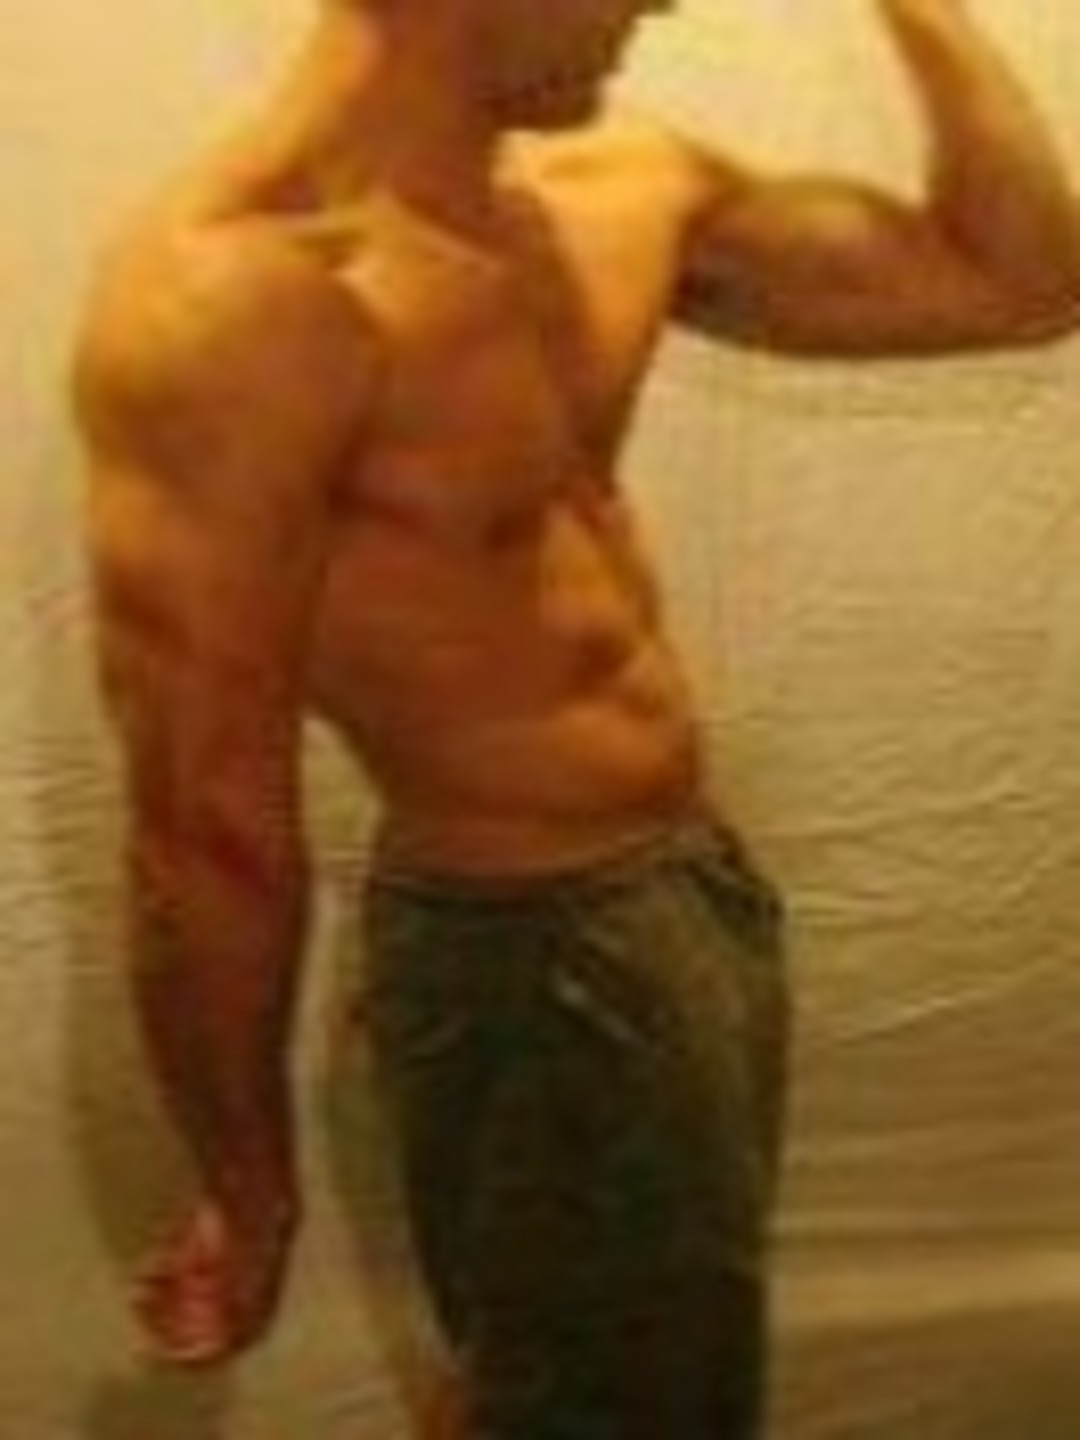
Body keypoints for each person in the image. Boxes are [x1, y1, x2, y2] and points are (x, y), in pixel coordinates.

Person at [72, 0, 1078, 1433]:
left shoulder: (613, 188)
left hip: (685, 900)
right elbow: (203, 823)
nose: (659, 3)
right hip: (533, 954)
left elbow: (1021, 280)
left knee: (581, 1382)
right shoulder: (241, 304)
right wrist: (246, 1183)